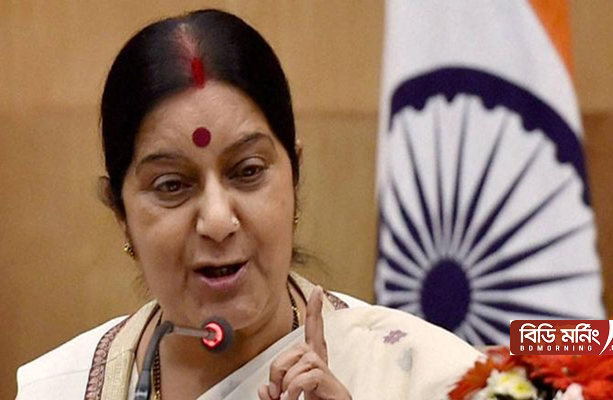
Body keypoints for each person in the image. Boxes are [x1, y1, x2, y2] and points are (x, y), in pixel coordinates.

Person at [15, 9, 480, 400]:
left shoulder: (428, 379)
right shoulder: (58, 388)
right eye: (172, 185)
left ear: (294, 176)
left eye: (247, 171)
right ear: (121, 215)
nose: (218, 220)